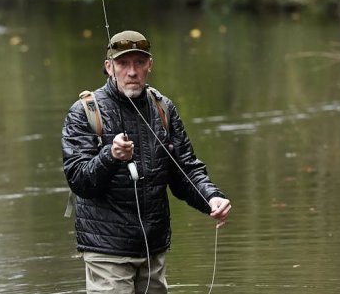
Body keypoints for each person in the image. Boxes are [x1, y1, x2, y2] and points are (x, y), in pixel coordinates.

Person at [61, 29, 232, 294]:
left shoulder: (163, 108)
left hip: (153, 247)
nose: (132, 71)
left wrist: (211, 198)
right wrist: (110, 156)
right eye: (123, 63)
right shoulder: (84, 112)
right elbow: (79, 181)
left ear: (149, 65)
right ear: (109, 67)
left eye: (139, 63)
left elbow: (184, 170)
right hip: (107, 249)